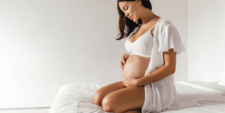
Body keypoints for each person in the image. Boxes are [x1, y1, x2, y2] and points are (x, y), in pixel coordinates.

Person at [94, 0, 198, 113]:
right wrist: (128, 57)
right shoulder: (137, 27)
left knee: (108, 103)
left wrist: (139, 82)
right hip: (133, 83)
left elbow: (170, 67)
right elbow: (145, 53)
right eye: (123, 12)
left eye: (126, 8)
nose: (126, 14)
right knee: (98, 97)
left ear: (138, 1)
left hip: (152, 87)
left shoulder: (163, 25)